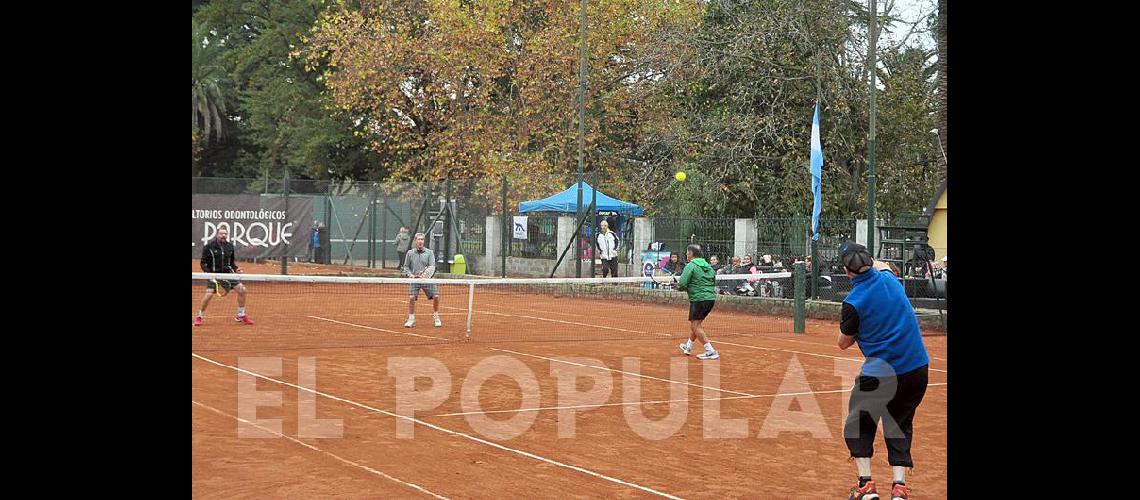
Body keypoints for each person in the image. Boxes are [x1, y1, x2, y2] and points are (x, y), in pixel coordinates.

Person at [836, 242, 930, 500]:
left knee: (859, 424)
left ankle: (866, 486)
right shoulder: (890, 279)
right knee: (899, 423)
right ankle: (899, 488)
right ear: (870, 261)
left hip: (881, 372)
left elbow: (843, 343)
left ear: (847, 272)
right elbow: (884, 266)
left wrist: (854, 324)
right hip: (917, 369)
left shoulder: (852, 302)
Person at [194, 227, 252, 326]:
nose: (223, 235)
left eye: (225, 234)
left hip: (228, 274)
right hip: (213, 274)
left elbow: (231, 262)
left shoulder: (230, 246)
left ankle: (240, 315)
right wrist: (209, 274)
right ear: (217, 235)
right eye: (221, 234)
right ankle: (199, 316)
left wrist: (235, 269)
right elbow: (203, 263)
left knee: (242, 289)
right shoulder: (209, 246)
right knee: (209, 294)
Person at [675, 244, 719, 360]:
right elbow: (712, 281)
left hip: (699, 299)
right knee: (697, 324)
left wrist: (678, 286)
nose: (686, 254)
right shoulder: (709, 267)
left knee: (695, 326)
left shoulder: (691, 266)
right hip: (710, 299)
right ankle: (688, 346)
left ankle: (710, 351)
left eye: (687, 252)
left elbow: (683, 284)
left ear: (691, 254)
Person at [403, 233, 442, 328]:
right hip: (415, 280)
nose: (420, 241)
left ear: (424, 241)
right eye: (418, 239)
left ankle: (436, 317)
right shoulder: (410, 253)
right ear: (415, 241)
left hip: (427, 280)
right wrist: (411, 275)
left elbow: (432, 266)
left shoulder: (429, 253)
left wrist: (425, 275)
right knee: (412, 298)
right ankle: (411, 319)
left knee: (436, 297)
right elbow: (406, 267)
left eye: (422, 239)